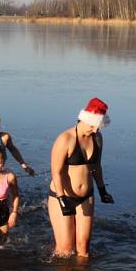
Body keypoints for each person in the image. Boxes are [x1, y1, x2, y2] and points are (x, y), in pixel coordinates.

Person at [47, 98, 114, 258]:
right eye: (93, 126)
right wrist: (62, 198)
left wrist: (102, 190)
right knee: (65, 249)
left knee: (83, 249)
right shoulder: (65, 139)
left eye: (99, 127)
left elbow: (96, 166)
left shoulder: (97, 138)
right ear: (85, 119)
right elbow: (55, 172)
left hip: (86, 197)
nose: (96, 130)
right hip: (62, 196)